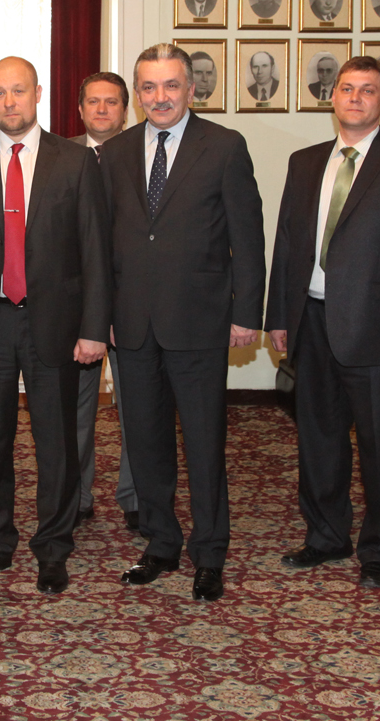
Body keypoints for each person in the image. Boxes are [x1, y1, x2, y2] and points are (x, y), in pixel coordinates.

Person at [0, 57, 110, 596]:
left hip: (53, 323)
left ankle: (53, 547)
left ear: (38, 94)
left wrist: (93, 328)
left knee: (56, 443)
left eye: (18, 91)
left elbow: (94, 251)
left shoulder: (75, 162)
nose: (9, 102)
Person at [268, 56, 380, 588]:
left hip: (377, 329)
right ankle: (326, 536)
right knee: (318, 440)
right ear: (333, 96)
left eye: (368, 90)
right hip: (311, 321)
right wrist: (280, 316)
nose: (356, 98)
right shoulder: (304, 162)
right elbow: (288, 242)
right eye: (347, 88)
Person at [101, 43, 265, 603]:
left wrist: (246, 313)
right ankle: (161, 542)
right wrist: (104, 316)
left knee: (203, 444)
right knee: (146, 444)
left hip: (200, 322)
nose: (160, 97)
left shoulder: (224, 146)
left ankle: (210, 552)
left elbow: (248, 237)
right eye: (149, 87)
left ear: (191, 89)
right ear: (137, 94)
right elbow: (103, 243)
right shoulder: (115, 152)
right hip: (133, 325)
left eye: (171, 85)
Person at [71, 72, 138, 531]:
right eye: (92, 101)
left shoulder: (145, 155)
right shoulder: (57, 156)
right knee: (75, 408)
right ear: (79, 109)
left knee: (137, 407)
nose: (101, 110)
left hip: (133, 301)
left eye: (111, 102)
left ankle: (136, 496)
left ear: (125, 109)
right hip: (76, 305)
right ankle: (76, 495)